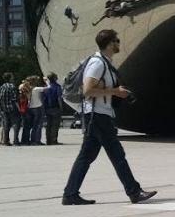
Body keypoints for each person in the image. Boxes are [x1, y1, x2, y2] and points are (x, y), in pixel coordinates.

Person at [61, 29, 157, 205]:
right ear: (110, 43)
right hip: (97, 115)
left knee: (86, 156)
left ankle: (70, 194)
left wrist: (119, 92)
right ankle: (134, 192)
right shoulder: (98, 63)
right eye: (117, 40)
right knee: (117, 154)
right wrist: (115, 91)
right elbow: (88, 90)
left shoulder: (105, 62)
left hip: (98, 115)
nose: (119, 44)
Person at [0, 73, 19, 146]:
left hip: (4, 109)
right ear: (10, 78)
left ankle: (6, 141)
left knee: (6, 125)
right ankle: (15, 140)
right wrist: (19, 108)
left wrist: (0, 108)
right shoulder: (11, 86)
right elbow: (14, 99)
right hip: (12, 108)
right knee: (16, 124)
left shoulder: (2, 86)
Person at [43, 73, 63, 145]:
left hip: (47, 108)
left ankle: (48, 140)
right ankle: (54, 140)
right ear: (54, 78)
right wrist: (61, 107)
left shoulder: (46, 87)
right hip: (55, 107)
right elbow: (59, 98)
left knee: (48, 125)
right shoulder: (57, 87)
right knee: (55, 125)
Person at [26, 76, 46, 144]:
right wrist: (46, 81)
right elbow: (49, 88)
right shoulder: (36, 89)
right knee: (38, 125)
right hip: (38, 107)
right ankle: (36, 140)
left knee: (33, 125)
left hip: (30, 108)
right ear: (34, 81)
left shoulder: (28, 89)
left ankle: (32, 140)